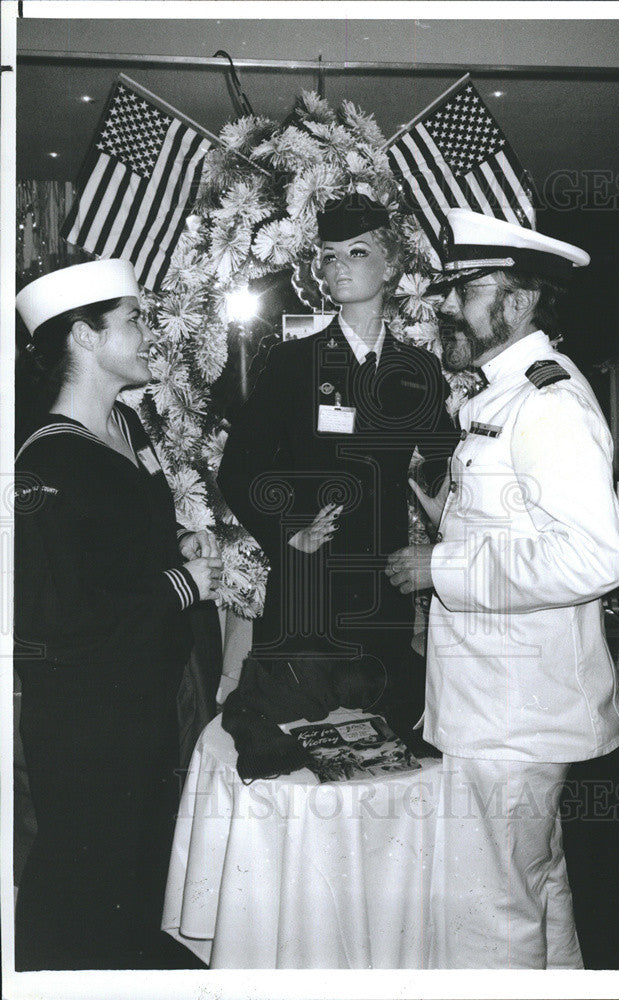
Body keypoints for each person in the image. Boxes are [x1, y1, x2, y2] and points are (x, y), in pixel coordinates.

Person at [385, 209, 619, 968]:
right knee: (536, 885)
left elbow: (591, 558)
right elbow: (513, 527)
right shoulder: (501, 395)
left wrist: (439, 570)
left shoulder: (545, 403)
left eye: (466, 289)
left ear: (517, 303)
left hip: (512, 714)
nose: (446, 306)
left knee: (489, 914)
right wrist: (438, 514)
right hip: (505, 705)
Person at [14, 259, 223, 970]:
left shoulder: (130, 425)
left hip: (144, 703)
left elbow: (125, 547)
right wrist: (181, 583)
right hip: (84, 721)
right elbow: (51, 617)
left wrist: (178, 545)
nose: (146, 331)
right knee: (81, 899)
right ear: (82, 336)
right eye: (132, 318)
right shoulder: (45, 463)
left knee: (136, 886)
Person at [217, 193, 455, 741]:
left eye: (356, 252)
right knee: (294, 738)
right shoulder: (292, 364)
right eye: (329, 255)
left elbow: (443, 472)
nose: (339, 266)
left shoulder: (417, 370)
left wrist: (445, 548)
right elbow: (239, 469)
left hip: (385, 590)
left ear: (391, 266)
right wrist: (287, 533)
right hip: (308, 588)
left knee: (383, 746)